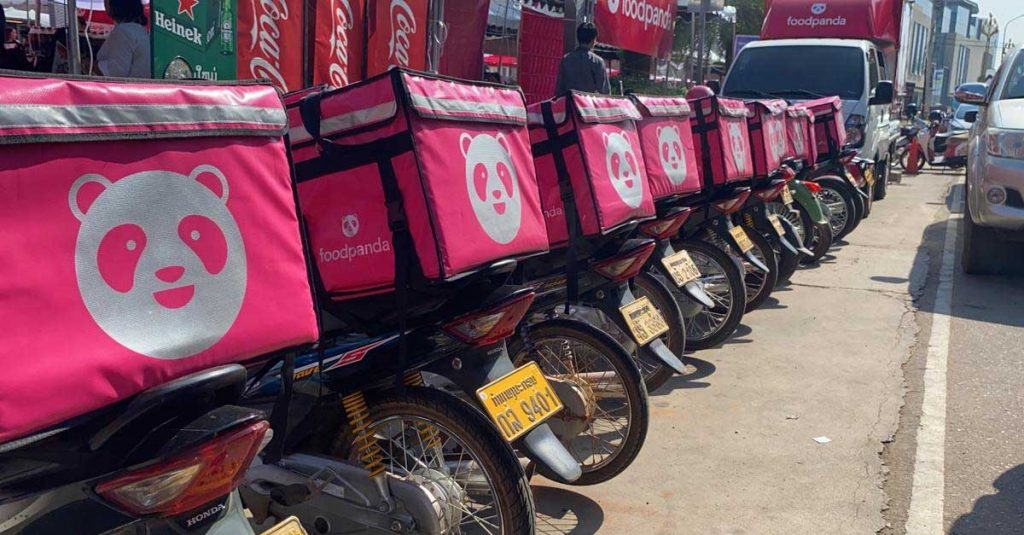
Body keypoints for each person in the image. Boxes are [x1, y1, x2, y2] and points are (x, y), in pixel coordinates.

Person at [96, 0, 150, 77]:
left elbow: (115, 71)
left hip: (129, 87)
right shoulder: (138, 30)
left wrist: (89, 64)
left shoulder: (123, 31)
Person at [554, 22, 610, 96]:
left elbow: (559, 91)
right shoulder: (598, 62)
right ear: (593, 40)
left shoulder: (566, 59)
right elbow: (604, 92)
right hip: (588, 106)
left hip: (569, 104)